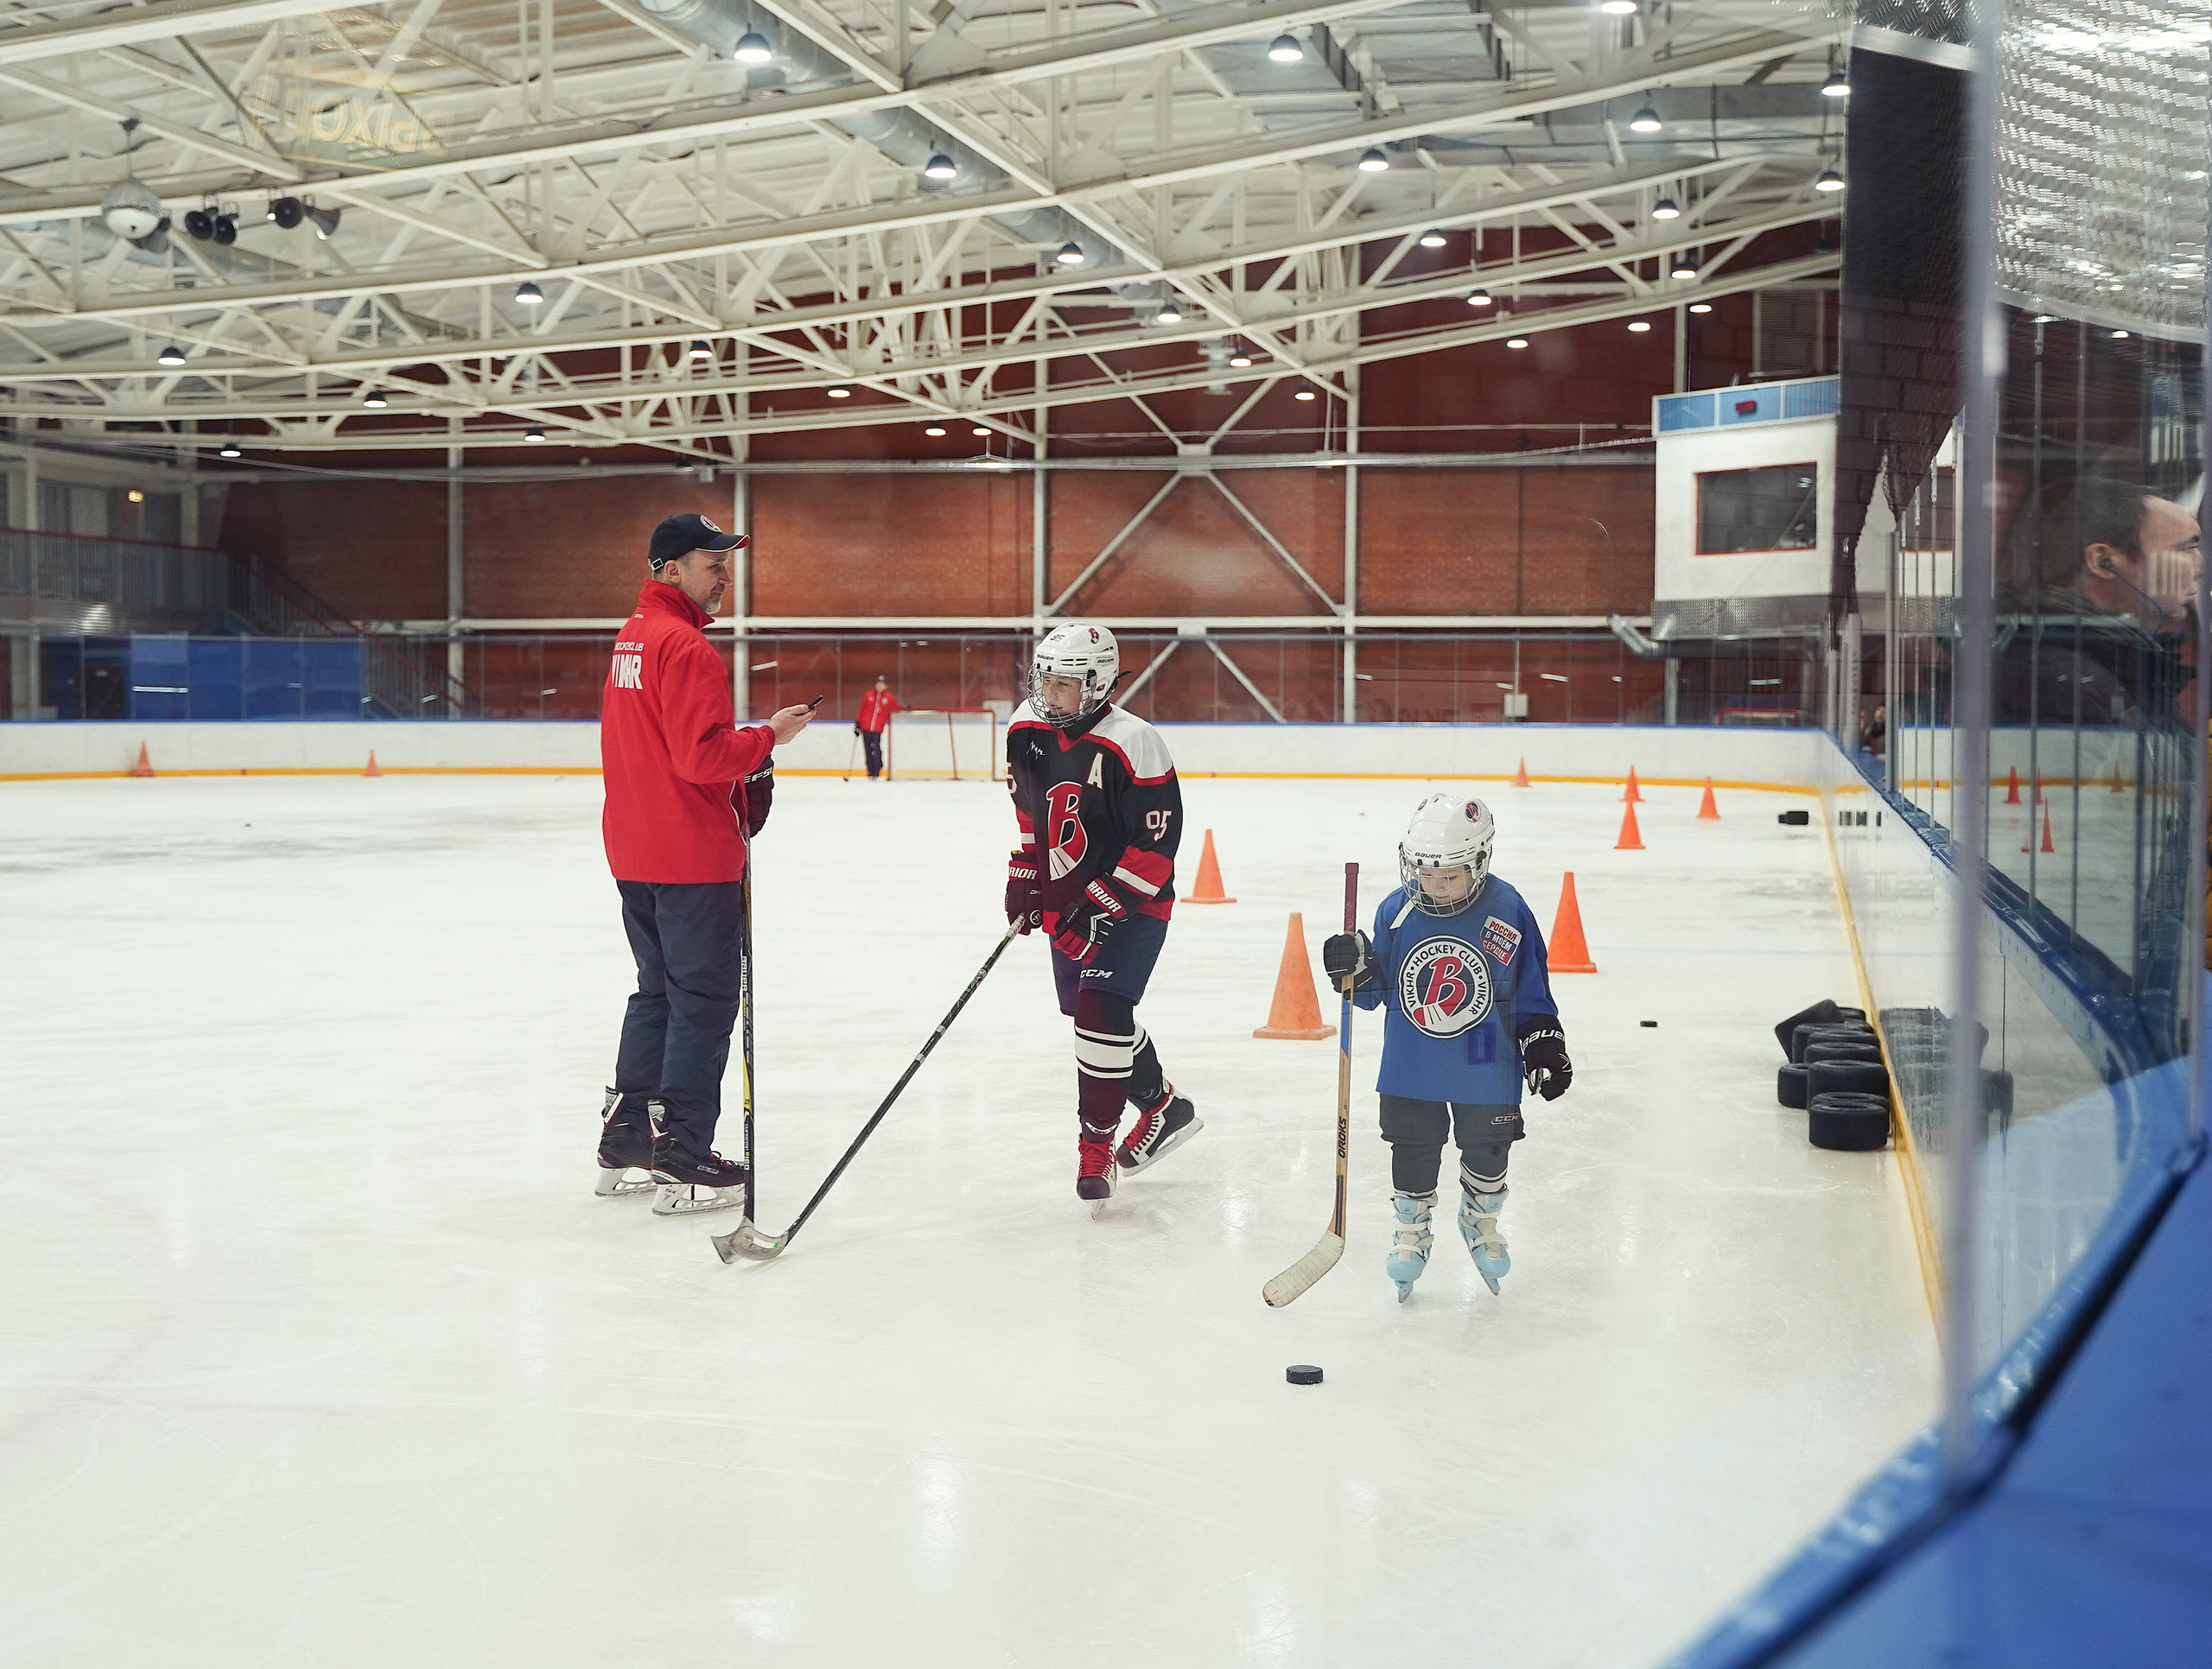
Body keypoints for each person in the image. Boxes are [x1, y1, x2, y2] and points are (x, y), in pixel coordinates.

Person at [596, 511, 815, 1215]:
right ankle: (683, 1151)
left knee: (656, 991)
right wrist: (766, 738)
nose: (725, 575)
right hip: (691, 855)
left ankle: (630, 1135)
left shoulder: (632, 637)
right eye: (710, 563)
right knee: (702, 1001)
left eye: (725, 562)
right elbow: (701, 758)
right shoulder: (685, 648)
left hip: (635, 849)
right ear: (669, 571)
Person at [1321, 794, 1572, 1302]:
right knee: (1411, 1146)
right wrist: (1352, 968)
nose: (1435, 887)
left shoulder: (1507, 909)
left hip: (1485, 1059)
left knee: (1488, 1144)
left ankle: (1479, 1217)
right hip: (1413, 1063)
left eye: (1450, 875)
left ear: (1480, 862)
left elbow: (1530, 988)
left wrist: (1543, 1040)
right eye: (1425, 874)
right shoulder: (1395, 910)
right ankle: (1411, 1228)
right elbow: (1372, 994)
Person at [1004, 622, 1199, 1208]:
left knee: (1100, 1009)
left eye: (1063, 683)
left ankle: (1097, 1147)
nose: (1049, 693)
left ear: (1098, 684)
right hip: (1070, 899)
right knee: (1093, 1018)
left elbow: (1157, 845)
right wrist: (1027, 873)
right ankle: (1166, 1108)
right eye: (1045, 680)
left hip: (1136, 900)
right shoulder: (1025, 728)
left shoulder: (1134, 742)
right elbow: (1032, 816)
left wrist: (1107, 901)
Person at [1999, 476, 2200, 726]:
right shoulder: (2065, 682)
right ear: (2103, 561)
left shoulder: (2109, 661)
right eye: (2183, 549)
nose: (2199, 567)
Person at [855, 674, 903, 779]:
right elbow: (862, 709)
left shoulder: (889, 698)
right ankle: (870, 770)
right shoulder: (868, 695)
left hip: (877, 728)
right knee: (867, 748)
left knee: (876, 747)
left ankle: (877, 769)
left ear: (886, 686)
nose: (880, 686)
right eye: (878, 683)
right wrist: (858, 723)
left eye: (882, 684)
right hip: (866, 726)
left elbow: (896, 707)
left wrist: (904, 707)